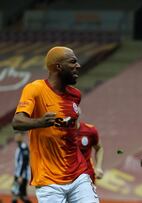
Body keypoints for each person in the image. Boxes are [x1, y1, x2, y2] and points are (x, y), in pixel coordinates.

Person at [12, 46, 99, 203]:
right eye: (73, 62)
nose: (78, 66)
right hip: (48, 180)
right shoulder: (35, 89)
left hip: (78, 174)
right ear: (59, 66)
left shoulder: (75, 95)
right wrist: (40, 122)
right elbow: (17, 122)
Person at [76, 120, 104, 184]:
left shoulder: (89, 130)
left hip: (86, 174)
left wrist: (98, 167)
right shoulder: (59, 132)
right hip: (65, 175)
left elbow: (99, 148)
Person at [12, 130, 31, 203]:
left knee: (19, 194)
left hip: (21, 175)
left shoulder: (23, 147)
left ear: (21, 136)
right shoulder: (20, 146)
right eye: (15, 135)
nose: (16, 137)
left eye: (17, 135)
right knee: (17, 193)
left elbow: (24, 163)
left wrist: (20, 176)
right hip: (19, 174)